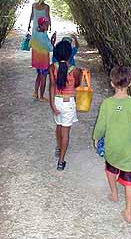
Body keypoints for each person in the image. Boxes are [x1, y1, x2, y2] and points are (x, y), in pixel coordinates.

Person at [92, 66, 131, 223]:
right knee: (130, 179)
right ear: (130, 83)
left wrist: (96, 138)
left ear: (112, 83)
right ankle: (129, 212)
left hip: (112, 148)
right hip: (128, 151)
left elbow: (100, 126)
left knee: (110, 169)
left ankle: (114, 194)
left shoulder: (107, 104)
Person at [49, 41, 82, 171]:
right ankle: (61, 161)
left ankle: (58, 147)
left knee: (58, 126)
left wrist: (52, 104)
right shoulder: (76, 70)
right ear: (70, 54)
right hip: (68, 103)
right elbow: (77, 85)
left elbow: (52, 86)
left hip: (56, 101)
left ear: (57, 53)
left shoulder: (52, 67)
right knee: (66, 132)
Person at [31, 17, 56, 101]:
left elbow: (31, 44)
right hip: (43, 61)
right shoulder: (44, 36)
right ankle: (41, 96)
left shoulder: (35, 33)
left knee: (39, 76)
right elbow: (50, 48)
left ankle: (35, 93)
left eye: (47, 24)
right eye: (45, 24)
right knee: (43, 78)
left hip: (36, 60)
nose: (47, 26)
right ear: (41, 25)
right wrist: (53, 40)